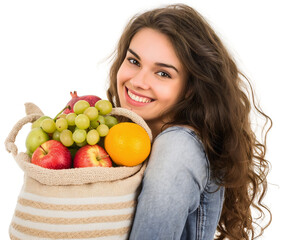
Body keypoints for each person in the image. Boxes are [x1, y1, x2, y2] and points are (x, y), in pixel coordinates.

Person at [107, 4, 272, 240]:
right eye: (134, 61)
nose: (138, 81)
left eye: (163, 73)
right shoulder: (126, 138)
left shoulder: (178, 146)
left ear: (189, 89)